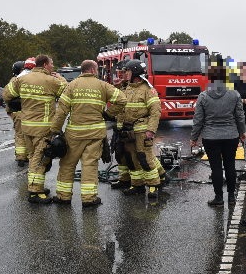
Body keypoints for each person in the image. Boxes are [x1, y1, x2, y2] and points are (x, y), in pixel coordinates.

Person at [48, 60, 127, 207]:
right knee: (90, 165)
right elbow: (122, 99)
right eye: (96, 69)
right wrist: (109, 114)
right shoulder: (102, 85)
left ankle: (63, 197)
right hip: (95, 134)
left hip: (74, 134)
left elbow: (61, 112)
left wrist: (54, 130)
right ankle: (89, 199)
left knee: (67, 164)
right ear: (92, 70)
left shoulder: (71, 86)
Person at [3, 54, 67, 204]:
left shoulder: (21, 79)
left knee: (32, 157)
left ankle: (37, 188)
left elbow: (6, 94)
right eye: (51, 64)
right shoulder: (51, 81)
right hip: (43, 129)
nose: (53, 66)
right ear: (45, 65)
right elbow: (67, 92)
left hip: (26, 127)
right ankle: (34, 192)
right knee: (40, 160)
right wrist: (60, 77)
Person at [190, 60, 246, 206]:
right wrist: (242, 132)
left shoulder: (203, 96)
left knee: (216, 167)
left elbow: (198, 119)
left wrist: (194, 138)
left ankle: (219, 198)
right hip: (231, 136)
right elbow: (240, 116)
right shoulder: (234, 94)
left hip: (210, 137)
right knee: (230, 165)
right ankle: (232, 197)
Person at [116, 59, 165, 200]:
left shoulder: (148, 90)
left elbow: (156, 112)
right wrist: (119, 127)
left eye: (128, 71)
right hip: (128, 131)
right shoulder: (127, 88)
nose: (125, 73)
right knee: (132, 159)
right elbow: (121, 109)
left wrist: (151, 131)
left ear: (136, 72)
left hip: (142, 131)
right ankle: (137, 185)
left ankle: (153, 185)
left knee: (145, 158)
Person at [109, 58, 132, 189]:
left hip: (131, 127)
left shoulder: (136, 88)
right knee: (120, 154)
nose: (121, 75)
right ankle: (124, 179)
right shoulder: (122, 87)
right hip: (120, 126)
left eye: (123, 72)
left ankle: (160, 176)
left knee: (135, 156)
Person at [5, 60, 28, 166]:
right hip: (21, 111)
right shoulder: (19, 80)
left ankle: (22, 156)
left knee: (20, 134)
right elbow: (7, 96)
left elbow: (6, 96)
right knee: (23, 134)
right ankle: (22, 157)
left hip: (17, 111)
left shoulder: (15, 80)